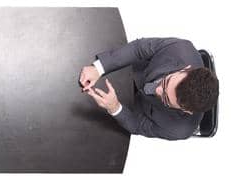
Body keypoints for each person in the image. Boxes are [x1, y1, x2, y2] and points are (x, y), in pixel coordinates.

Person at [77, 37, 218, 140]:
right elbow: (139, 49)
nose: (157, 90)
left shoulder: (178, 129)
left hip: (132, 108)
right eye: (165, 82)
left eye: (166, 99)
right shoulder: (180, 48)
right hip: (130, 71)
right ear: (186, 69)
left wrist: (115, 108)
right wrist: (100, 67)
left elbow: (138, 126)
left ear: (186, 111)